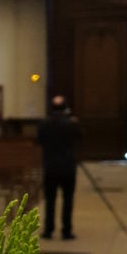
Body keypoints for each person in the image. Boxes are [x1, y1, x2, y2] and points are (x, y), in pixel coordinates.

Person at [36, 95, 82, 239]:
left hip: (50, 166)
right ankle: (66, 230)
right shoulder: (72, 123)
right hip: (68, 166)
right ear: (65, 108)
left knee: (50, 199)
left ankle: (48, 230)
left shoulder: (44, 123)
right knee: (68, 199)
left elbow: (39, 141)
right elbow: (80, 137)